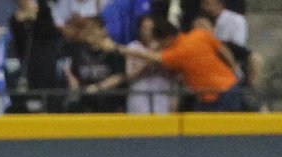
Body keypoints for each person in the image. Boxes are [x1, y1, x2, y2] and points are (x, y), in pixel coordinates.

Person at [113, 16, 243, 110]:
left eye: (160, 42)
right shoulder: (200, 34)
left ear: (168, 38)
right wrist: (234, 67)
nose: (159, 46)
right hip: (216, 91)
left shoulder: (177, 54)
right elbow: (223, 50)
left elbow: (148, 56)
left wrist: (117, 48)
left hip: (222, 95)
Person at [65, 15, 126, 111]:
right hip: (86, 105)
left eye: (93, 29)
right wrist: (75, 88)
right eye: (87, 29)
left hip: (109, 105)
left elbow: (120, 76)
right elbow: (73, 73)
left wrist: (98, 87)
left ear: (103, 31)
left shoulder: (112, 51)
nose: (89, 32)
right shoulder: (79, 51)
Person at [124, 14, 173, 113]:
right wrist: (149, 58)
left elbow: (174, 74)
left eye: (151, 28)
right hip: (139, 95)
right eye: (145, 28)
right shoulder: (133, 47)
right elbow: (129, 76)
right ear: (140, 29)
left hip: (162, 94)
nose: (148, 31)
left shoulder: (166, 47)